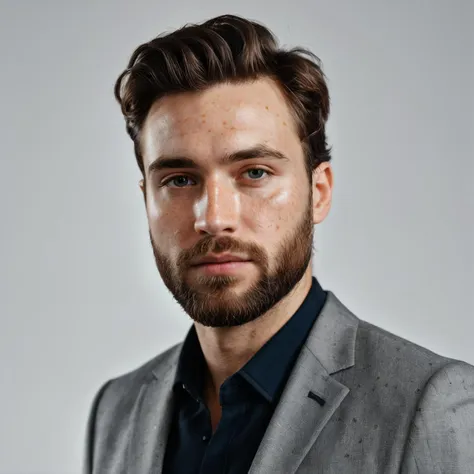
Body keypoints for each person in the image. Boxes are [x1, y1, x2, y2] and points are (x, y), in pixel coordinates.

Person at [83, 14, 474, 474]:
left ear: (319, 192)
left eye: (254, 173)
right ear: (146, 197)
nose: (213, 218)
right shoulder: (117, 410)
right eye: (180, 179)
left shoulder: (430, 405)